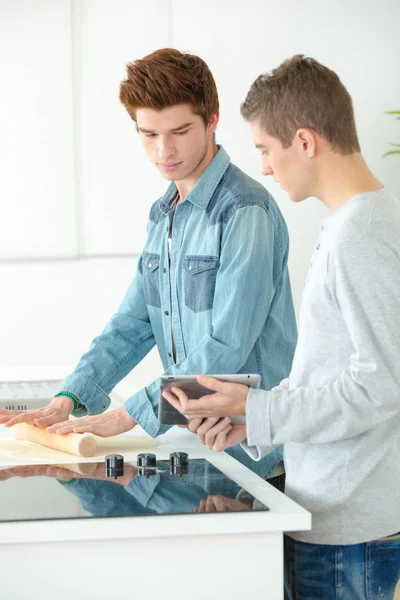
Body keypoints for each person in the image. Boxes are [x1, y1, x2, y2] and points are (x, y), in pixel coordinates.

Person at [1, 48, 297, 485]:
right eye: (148, 134)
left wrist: (127, 415)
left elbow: (226, 347)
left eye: (179, 131)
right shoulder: (164, 215)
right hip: (196, 447)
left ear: (212, 119)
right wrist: (70, 396)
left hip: (250, 455)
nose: (164, 151)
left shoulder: (244, 210)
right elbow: (133, 323)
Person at [163, 55, 400, 599]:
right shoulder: (352, 225)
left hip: (347, 529)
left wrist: (257, 408)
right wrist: (262, 424)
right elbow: (330, 372)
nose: (264, 167)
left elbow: (378, 387)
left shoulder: (359, 237)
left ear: (305, 141)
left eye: (266, 149)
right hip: (333, 516)